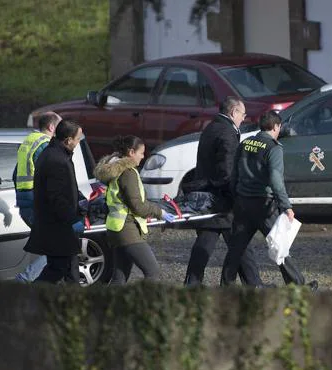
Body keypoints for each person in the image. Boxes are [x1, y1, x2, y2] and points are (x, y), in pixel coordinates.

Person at [220, 110, 318, 290]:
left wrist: (235, 195)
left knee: (236, 247)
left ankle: (226, 285)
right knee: (279, 245)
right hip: (263, 204)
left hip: (243, 202)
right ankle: (297, 285)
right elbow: (275, 179)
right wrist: (286, 205)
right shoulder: (274, 148)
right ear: (276, 127)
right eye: (279, 127)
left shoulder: (246, 143)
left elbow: (234, 173)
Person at [184, 96, 267, 287]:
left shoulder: (211, 127)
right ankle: (253, 285)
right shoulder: (227, 133)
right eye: (242, 114)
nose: (243, 119)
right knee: (228, 242)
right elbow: (228, 170)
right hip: (221, 197)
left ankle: (253, 284)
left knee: (231, 242)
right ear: (233, 112)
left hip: (209, 194)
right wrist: (238, 195)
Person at [94, 135, 176, 284]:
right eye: (141, 153)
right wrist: (160, 212)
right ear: (131, 152)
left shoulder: (115, 169)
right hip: (127, 230)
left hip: (116, 229)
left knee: (120, 276)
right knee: (152, 272)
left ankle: (106, 307)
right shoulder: (128, 173)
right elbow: (138, 206)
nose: (143, 157)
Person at [24, 119, 85, 284]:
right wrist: (72, 220)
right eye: (78, 139)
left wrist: (81, 201)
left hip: (58, 224)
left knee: (70, 269)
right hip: (57, 226)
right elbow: (56, 196)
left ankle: (74, 306)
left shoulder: (56, 154)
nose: (79, 142)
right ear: (68, 140)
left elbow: (66, 188)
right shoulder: (56, 160)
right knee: (57, 268)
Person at [13, 112, 62, 282]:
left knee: (53, 248)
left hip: (26, 202)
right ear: (51, 127)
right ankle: (24, 281)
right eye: (59, 126)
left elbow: (16, 174)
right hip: (38, 204)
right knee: (58, 247)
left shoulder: (28, 141)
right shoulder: (45, 145)